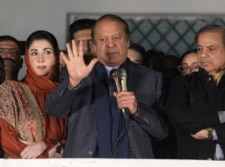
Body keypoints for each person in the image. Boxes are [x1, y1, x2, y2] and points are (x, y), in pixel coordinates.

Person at [46, 14, 168, 158]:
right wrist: (73, 83)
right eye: (103, 39)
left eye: (116, 38)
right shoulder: (77, 73)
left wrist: (137, 110)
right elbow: (54, 110)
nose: (110, 44)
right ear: (94, 46)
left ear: (128, 42)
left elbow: (162, 132)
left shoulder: (151, 78)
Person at [167, 25, 225, 160]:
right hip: (195, 161)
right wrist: (223, 117)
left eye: (211, 49)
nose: (203, 55)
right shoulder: (183, 83)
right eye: (200, 49)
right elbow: (179, 115)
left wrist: (211, 133)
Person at [0, 30, 67, 158]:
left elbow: (79, 139)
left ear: (57, 56)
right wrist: (47, 156)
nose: (40, 59)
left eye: (47, 52)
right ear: (27, 57)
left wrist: (46, 145)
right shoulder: (10, 91)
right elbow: (7, 141)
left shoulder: (67, 92)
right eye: (34, 53)